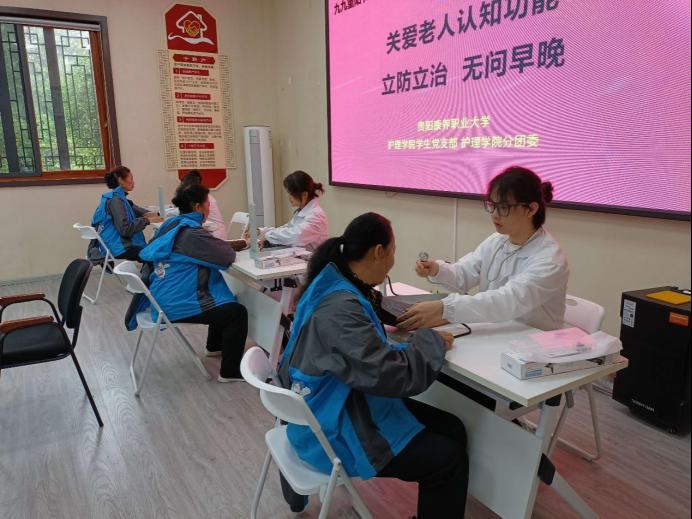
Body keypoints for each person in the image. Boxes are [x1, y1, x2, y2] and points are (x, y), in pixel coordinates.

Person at [277, 212, 468, 519]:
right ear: (379, 252)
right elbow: (396, 376)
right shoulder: (341, 309)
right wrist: (430, 340)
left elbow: (364, 341)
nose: (393, 260)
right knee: (449, 458)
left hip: (326, 406)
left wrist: (404, 329)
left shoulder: (328, 282)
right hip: (334, 427)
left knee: (453, 427)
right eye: (393, 251)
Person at [399, 166, 569, 332]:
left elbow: (507, 301)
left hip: (536, 341)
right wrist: (437, 269)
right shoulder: (497, 241)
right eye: (491, 205)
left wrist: (446, 309)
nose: (494, 214)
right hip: (498, 331)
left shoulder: (550, 259)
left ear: (531, 209)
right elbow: (464, 274)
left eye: (504, 207)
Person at [137, 182, 248, 382]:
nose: (209, 209)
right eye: (207, 205)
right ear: (197, 207)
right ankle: (230, 372)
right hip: (176, 302)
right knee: (236, 313)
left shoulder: (171, 225)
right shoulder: (192, 233)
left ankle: (214, 347)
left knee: (222, 297)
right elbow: (225, 256)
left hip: (161, 296)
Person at [91, 166, 162, 260]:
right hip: (119, 247)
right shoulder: (116, 201)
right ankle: (149, 269)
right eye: (131, 179)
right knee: (157, 253)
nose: (133, 182)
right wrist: (146, 220)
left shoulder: (119, 198)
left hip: (114, 245)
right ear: (121, 180)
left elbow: (140, 211)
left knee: (155, 248)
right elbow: (125, 230)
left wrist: (160, 214)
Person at [259, 170, 328, 251]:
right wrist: (261, 232)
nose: (289, 197)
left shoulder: (317, 215)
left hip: (312, 258)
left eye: (291, 194)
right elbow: (287, 229)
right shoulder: (302, 211)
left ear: (304, 195)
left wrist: (267, 235)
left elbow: (295, 236)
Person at [180, 170, 228, 240]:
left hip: (215, 235)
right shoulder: (201, 196)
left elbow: (189, 215)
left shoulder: (201, 198)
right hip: (210, 231)